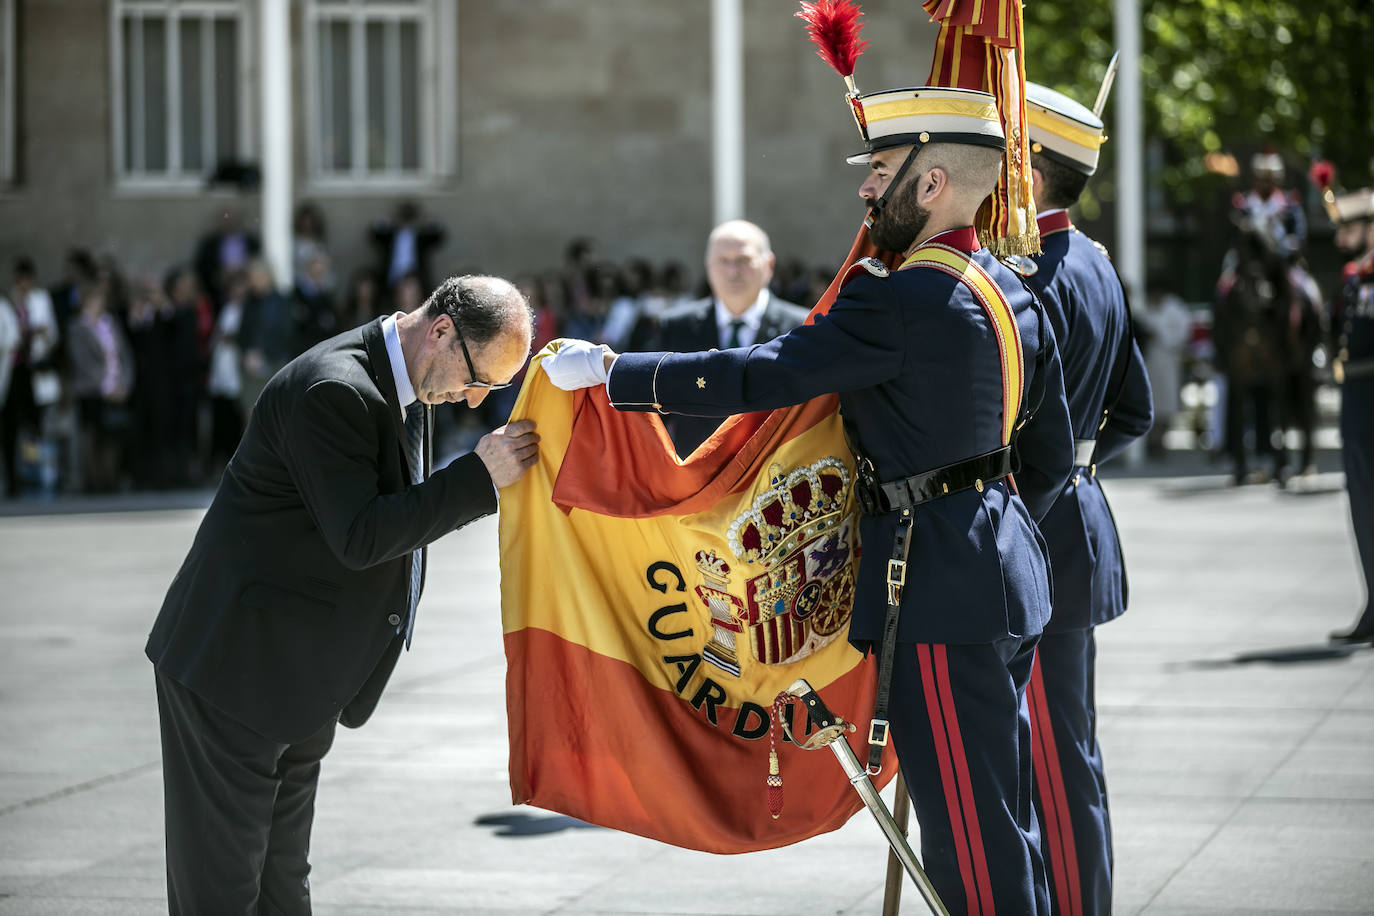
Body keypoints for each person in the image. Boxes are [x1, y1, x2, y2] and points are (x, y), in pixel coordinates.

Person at [543, 85, 1073, 914]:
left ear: (930, 184)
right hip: (1007, 569)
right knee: (1007, 817)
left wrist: (618, 374)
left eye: (882, 171)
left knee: (969, 833)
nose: (866, 190)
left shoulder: (895, 298)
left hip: (934, 586)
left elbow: (762, 373)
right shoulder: (1010, 288)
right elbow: (1046, 457)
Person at [145, 274, 541, 914]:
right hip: (233, 673)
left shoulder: (405, 380)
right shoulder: (336, 388)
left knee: (282, 888)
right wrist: (479, 479)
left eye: (491, 390)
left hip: (298, 679)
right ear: (440, 330)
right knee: (219, 894)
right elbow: (361, 534)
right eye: (479, 380)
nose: (474, 402)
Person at [1019, 81, 1155, 916]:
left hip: (1033, 534)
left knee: (1053, 760)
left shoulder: (1024, 271)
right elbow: (1133, 408)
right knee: (1068, 748)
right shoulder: (1097, 262)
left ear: (1031, 171)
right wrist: (1077, 467)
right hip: (1075, 517)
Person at [643, 220, 809, 458]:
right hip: (700, 477)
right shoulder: (676, 327)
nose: (732, 271)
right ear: (708, 265)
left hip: (775, 475)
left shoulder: (801, 327)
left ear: (768, 264)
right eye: (724, 261)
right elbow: (653, 407)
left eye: (743, 260)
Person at [1327, 187, 1374, 645]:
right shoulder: (1354, 277)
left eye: (1350, 226)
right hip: (1356, 401)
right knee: (1363, 508)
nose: (1342, 235)